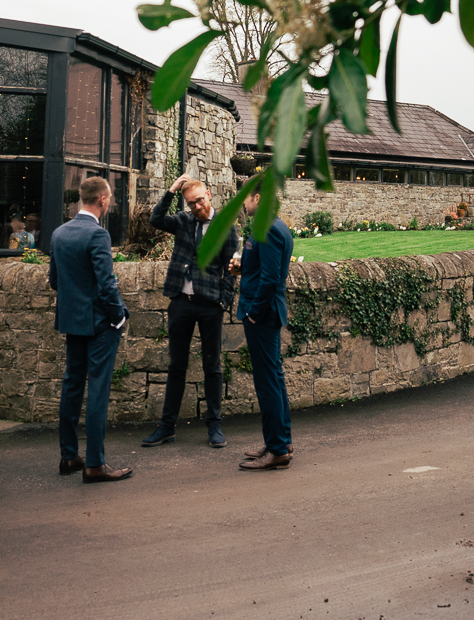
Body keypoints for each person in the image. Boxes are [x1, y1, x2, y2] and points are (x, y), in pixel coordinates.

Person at [140, 174, 239, 449]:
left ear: (208, 195)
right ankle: (166, 427)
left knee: (212, 367)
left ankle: (215, 426)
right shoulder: (183, 221)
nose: (196, 207)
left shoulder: (225, 227)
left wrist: (224, 301)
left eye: (199, 201)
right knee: (176, 366)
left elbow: (232, 269)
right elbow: (155, 220)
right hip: (181, 302)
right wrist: (172, 191)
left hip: (210, 305)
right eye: (190, 203)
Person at [50, 176, 131, 483]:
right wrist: (118, 317)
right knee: (98, 388)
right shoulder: (98, 235)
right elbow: (106, 284)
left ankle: (69, 456)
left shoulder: (59, 233)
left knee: (72, 385)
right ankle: (95, 463)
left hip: (73, 321)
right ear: (102, 200)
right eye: (108, 199)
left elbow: (55, 282)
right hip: (99, 323)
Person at [237, 180, 295, 472]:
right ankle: (281, 441)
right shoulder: (278, 225)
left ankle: (276, 449)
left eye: (246, 198)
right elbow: (263, 268)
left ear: (257, 197)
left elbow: (270, 279)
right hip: (268, 313)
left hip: (263, 315)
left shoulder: (268, 228)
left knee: (267, 381)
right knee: (275, 377)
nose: (243, 205)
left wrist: (253, 314)